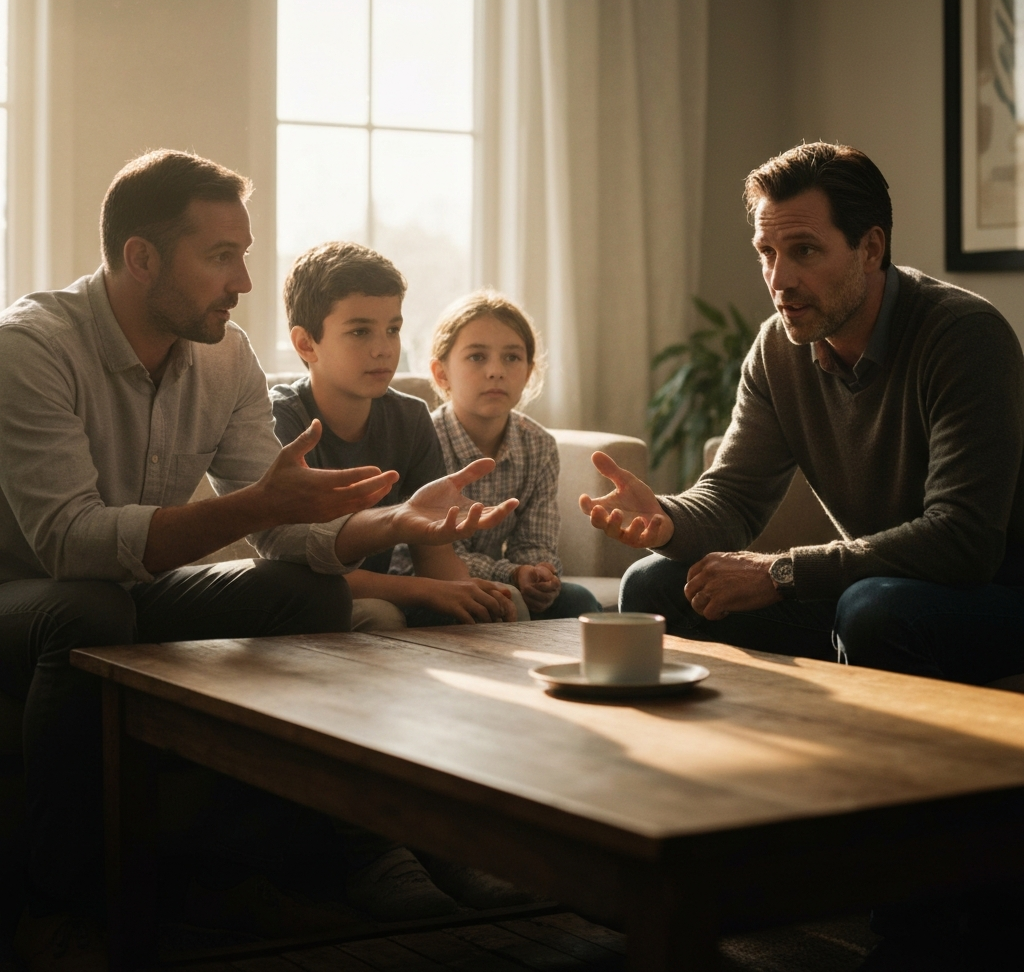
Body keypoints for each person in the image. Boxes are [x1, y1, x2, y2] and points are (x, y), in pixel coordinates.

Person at [0, 150, 517, 971]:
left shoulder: (224, 353)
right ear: (141, 258)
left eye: (243, 253)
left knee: (302, 592)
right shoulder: (32, 347)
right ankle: (54, 910)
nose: (243, 280)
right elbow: (71, 542)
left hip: (137, 587)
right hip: (25, 589)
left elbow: (282, 524)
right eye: (220, 256)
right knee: (86, 610)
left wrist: (392, 523)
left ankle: (248, 865)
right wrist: (259, 506)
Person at [581, 141, 1024, 685]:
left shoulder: (964, 335)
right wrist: (664, 517)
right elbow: (733, 498)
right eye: (767, 252)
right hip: (872, 586)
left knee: (873, 609)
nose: (779, 279)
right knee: (652, 584)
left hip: (995, 596)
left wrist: (782, 572)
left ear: (870, 248)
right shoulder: (779, 348)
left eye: (804, 251)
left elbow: (963, 541)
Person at [271, 242, 520, 632]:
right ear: (306, 343)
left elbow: (434, 556)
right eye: (359, 331)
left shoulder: (409, 416)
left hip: (388, 592)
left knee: (505, 601)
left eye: (393, 329)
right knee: (379, 615)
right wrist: (426, 592)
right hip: (310, 598)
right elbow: (301, 568)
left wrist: (468, 592)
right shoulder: (283, 421)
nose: (383, 349)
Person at [422, 291, 602, 620]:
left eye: (512, 358)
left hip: (504, 581)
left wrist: (536, 573)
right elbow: (439, 557)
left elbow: (535, 543)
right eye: (477, 357)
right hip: (431, 584)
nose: (496, 371)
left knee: (578, 601)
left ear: (529, 371)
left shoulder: (539, 445)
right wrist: (511, 574)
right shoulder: (424, 440)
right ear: (441, 373)